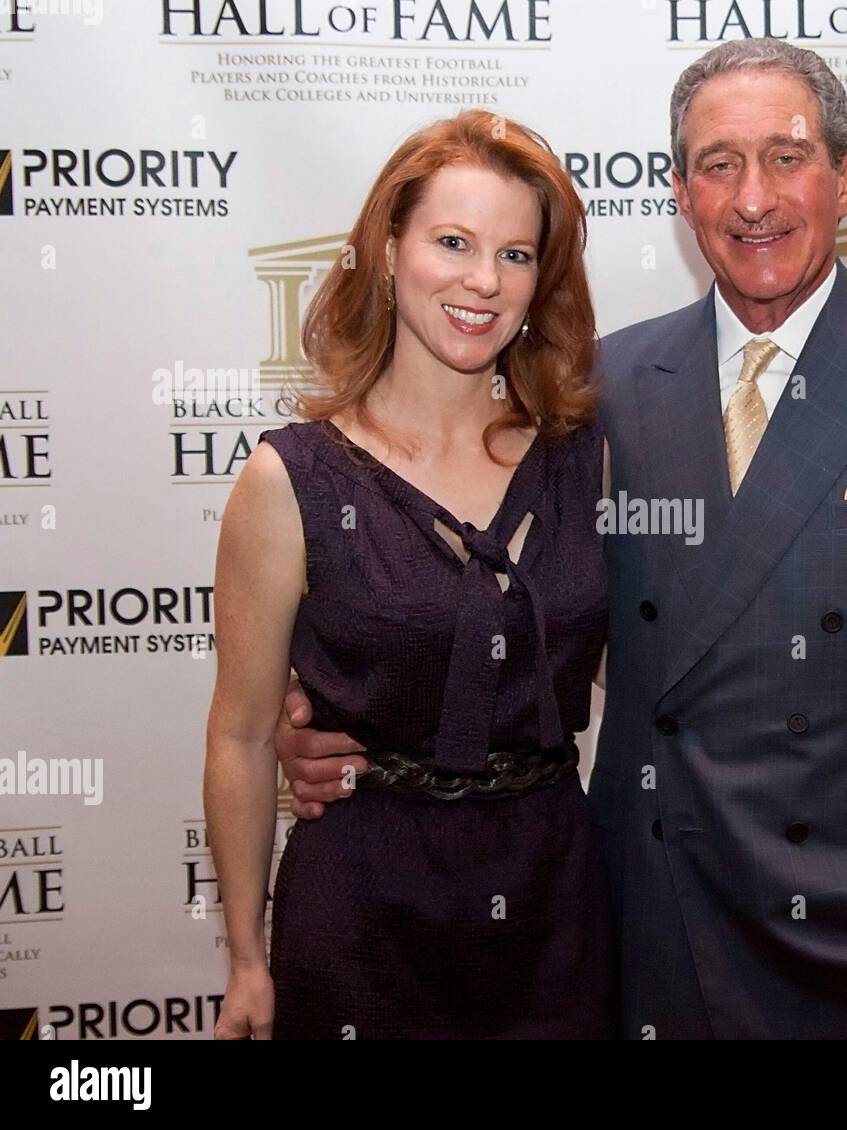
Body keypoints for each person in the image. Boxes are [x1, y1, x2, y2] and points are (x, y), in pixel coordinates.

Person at [278, 39, 847, 1040]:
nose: (753, 199)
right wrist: (335, 724)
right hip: (662, 908)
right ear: (679, 193)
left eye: (785, 157)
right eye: (717, 164)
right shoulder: (595, 392)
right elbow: (493, 611)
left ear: (846, 176)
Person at [203, 109, 614, 1040]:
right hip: (362, 909)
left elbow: (648, 656)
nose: (483, 281)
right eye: (453, 241)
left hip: (556, 904)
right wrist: (244, 960)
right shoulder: (290, 477)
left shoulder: (582, 458)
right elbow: (238, 735)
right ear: (386, 252)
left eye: (515, 255)